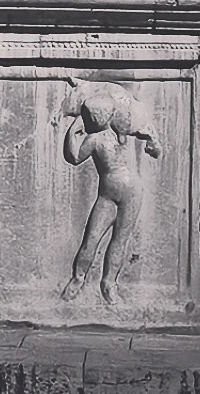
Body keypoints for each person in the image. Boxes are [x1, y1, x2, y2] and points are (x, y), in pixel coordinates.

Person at [59, 80, 161, 304]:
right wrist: (73, 131)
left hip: (130, 192)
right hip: (112, 193)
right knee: (93, 238)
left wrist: (73, 132)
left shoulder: (121, 131)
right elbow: (75, 159)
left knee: (118, 239)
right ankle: (80, 278)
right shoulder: (98, 138)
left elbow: (75, 156)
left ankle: (108, 283)